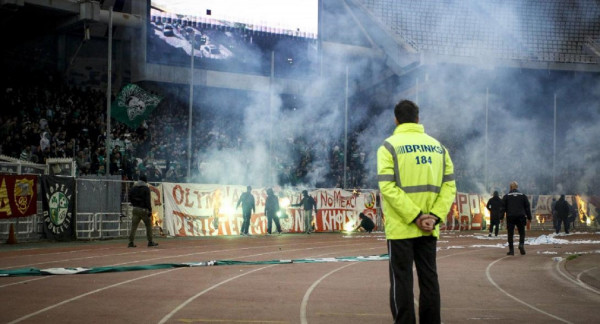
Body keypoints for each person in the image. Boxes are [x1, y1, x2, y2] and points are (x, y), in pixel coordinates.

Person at [377, 99, 456, 324]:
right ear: (418, 119)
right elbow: (449, 186)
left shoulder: (388, 147)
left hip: (402, 228)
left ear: (396, 119)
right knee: (429, 280)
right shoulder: (439, 148)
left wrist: (415, 216)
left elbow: (388, 187)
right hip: (429, 228)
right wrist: (434, 217)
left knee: (401, 281)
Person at [128, 174, 158, 247]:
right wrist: (150, 210)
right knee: (148, 226)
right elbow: (148, 200)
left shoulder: (134, 188)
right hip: (144, 209)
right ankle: (150, 241)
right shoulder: (146, 188)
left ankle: (131, 242)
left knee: (133, 227)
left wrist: (133, 203)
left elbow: (129, 196)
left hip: (135, 209)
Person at [502, 181, 531, 255]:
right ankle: (521, 244)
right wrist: (529, 217)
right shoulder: (523, 196)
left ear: (510, 187)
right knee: (522, 232)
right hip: (521, 216)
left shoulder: (506, 196)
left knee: (510, 234)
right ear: (517, 187)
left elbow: (503, 208)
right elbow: (527, 207)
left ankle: (511, 250)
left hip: (510, 216)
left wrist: (501, 217)